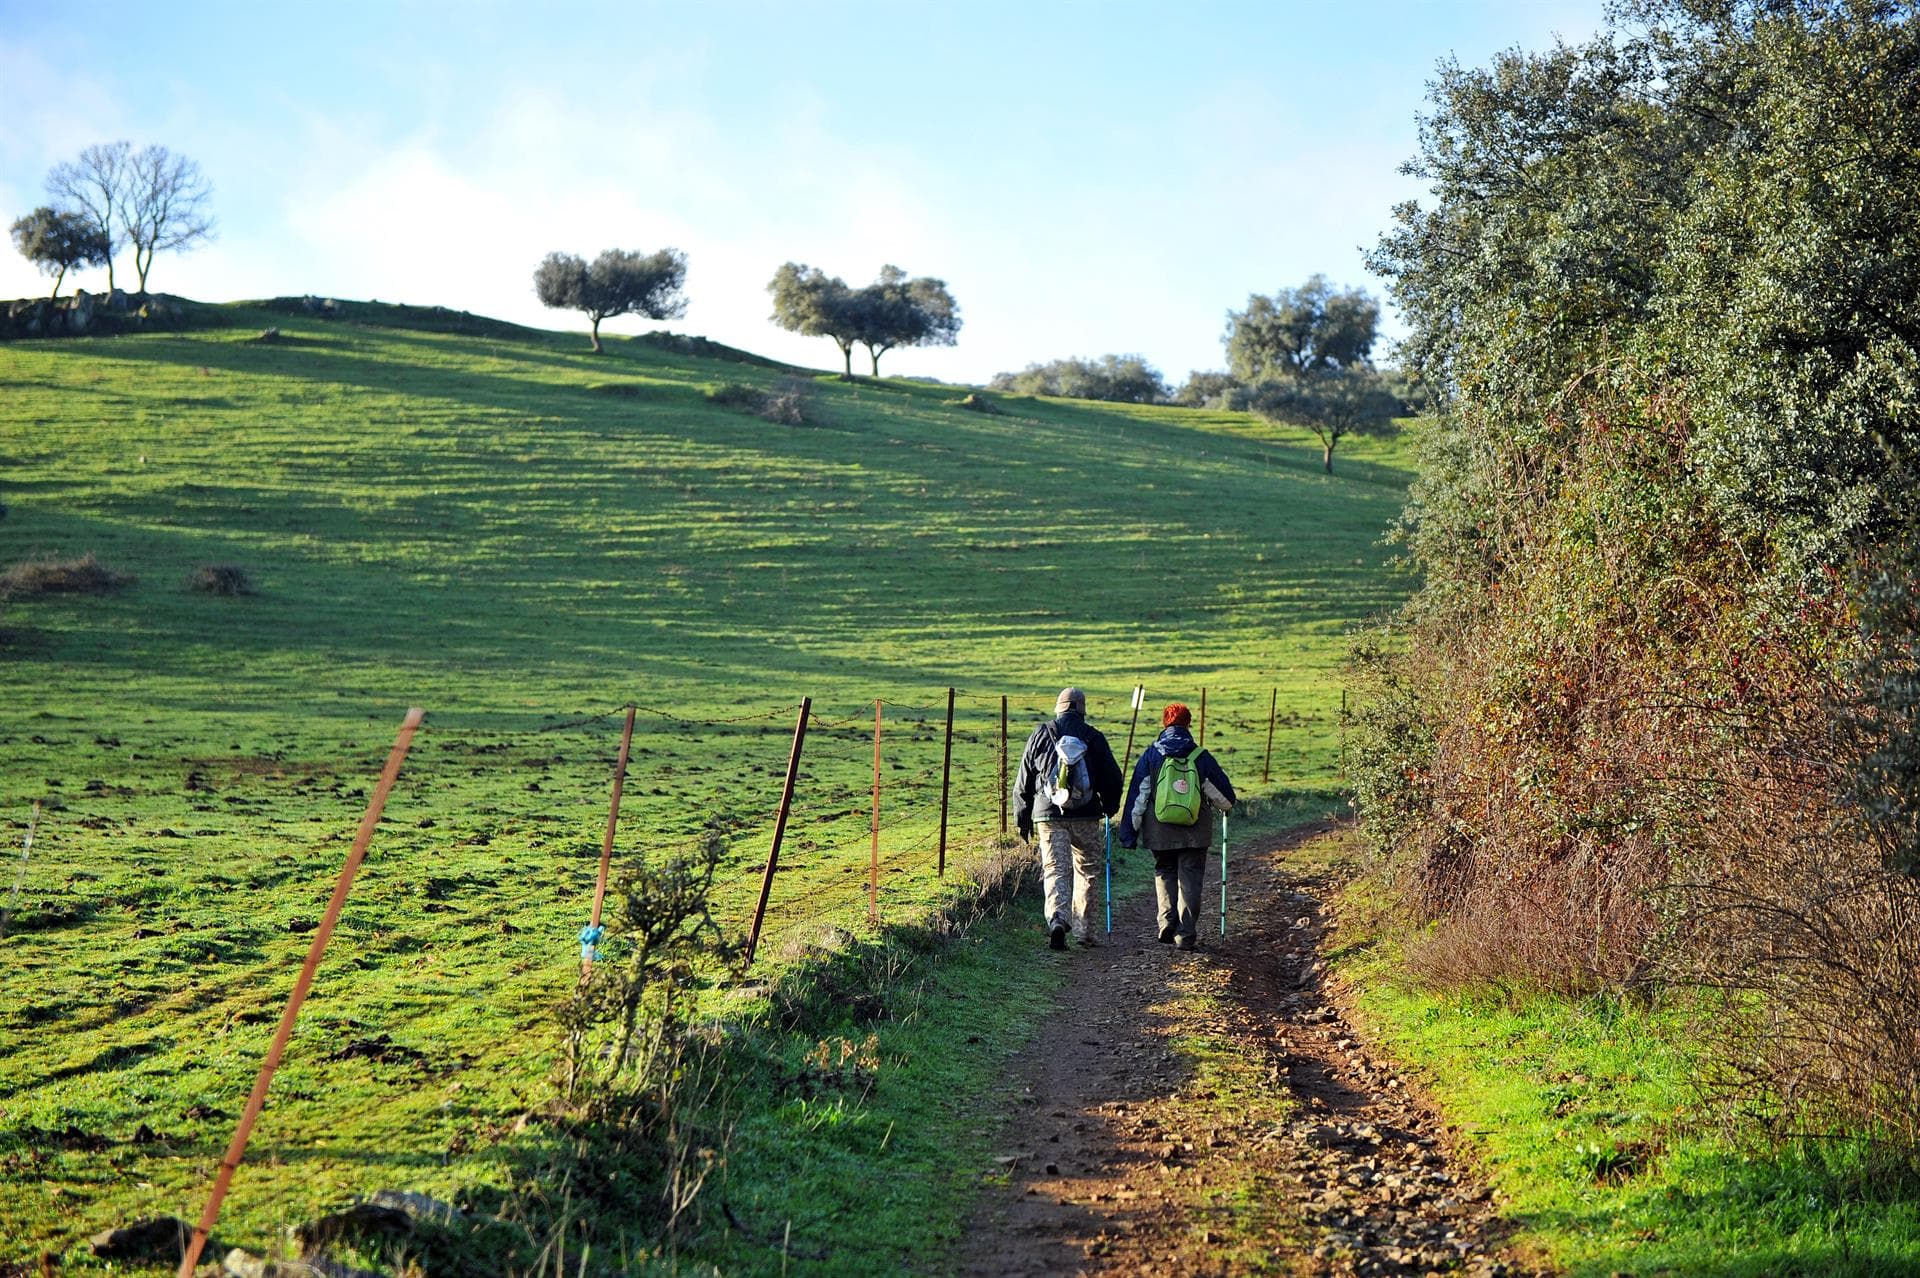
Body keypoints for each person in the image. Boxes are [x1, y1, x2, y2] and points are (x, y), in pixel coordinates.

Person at [1117, 702, 1235, 950]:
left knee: (1164, 870)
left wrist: (1129, 834)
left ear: (1165, 723)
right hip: (1195, 832)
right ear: (1188, 724)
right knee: (1190, 878)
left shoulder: (1151, 755)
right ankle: (1185, 934)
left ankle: (1166, 922)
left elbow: (1137, 797)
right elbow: (1225, 800)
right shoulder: (1200, 756)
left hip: (1159, 830)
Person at [1013, 687, 1124, 949]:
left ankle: (1057, 920)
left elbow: (1023, 780)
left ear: (1058, 707)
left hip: (1049, 816)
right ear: (1082, 710)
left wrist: (1023, 819)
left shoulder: (1041, 733)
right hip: (1086, 816)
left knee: (1055, 869)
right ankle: (1085, 931)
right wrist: (1109, 807)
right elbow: (1113, 778)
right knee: (1087, 872)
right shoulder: (1093, 737)